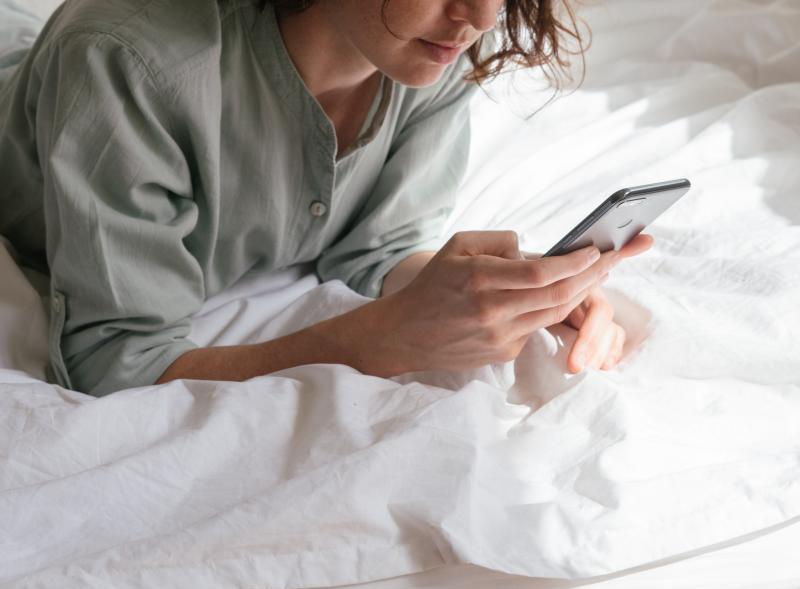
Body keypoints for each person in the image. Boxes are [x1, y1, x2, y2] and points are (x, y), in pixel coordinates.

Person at [0, 0, 652, 397]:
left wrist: (517, 293)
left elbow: (375, 247)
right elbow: (115, 363)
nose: (481, 17)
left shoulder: (434, 49)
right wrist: (375, 340)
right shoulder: (127, 61)